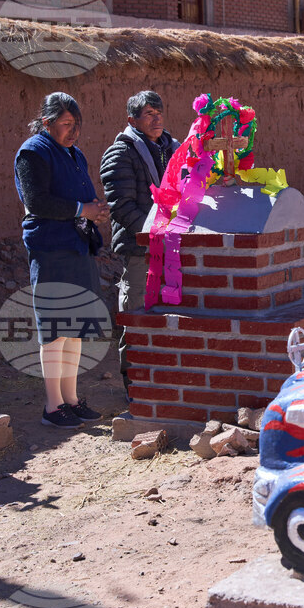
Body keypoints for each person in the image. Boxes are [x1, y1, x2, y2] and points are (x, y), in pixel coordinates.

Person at [14, 92, 109, 429]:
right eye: (66, 124)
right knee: (55, 328)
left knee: (76, 327)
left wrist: (93, 210)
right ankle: (52, 406)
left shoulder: (74, 153)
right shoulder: (32, 153)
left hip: (76, 245)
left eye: (76, 124)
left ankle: (71, 399)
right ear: (46, 123)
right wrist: (83, 210)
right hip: (51, 248)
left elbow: (79, 196)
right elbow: (37, 201)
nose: (73, 131)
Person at [99, 90, 178, 391]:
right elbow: (123, 207)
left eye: (159, 112)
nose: (156, 118)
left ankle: (165, 383)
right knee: (136, 316)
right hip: (140, 249)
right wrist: (156, 232)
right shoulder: (120, 154)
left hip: (171, 246)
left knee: (168, 315)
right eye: (148, 113)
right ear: (132, 119)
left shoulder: (171, 148)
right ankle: (135, 387)